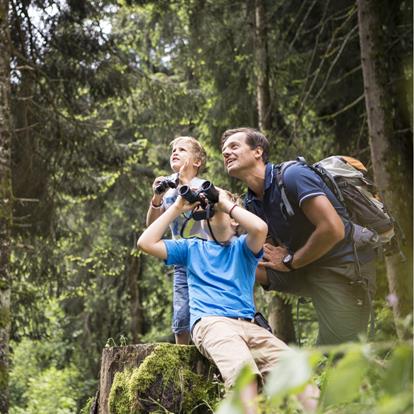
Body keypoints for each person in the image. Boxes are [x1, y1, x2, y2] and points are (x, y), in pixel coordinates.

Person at [138, 179, 318, 413]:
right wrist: (176, 208)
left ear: (235, 219)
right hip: (211, 322)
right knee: (244, 374)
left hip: (250, 325)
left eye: (218, 204)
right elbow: (145, 242)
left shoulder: (243, 247)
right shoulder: (191, 248)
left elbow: (260, 228)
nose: (213, 206)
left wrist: (224, 201)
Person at [221, 127, 376, 345]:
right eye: (224, 150)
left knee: (336, 354)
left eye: (234, 146)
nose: (226, 153)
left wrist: (291, 261)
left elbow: (334, 228)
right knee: (240, 260)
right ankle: (239, 325)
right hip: (306, 267)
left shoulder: (292, 176)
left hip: (343, 266)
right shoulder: (252, 203)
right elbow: (263, 252)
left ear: (258, 152)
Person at [146, 136, 208, 345]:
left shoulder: (204, 186)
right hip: (181, 259)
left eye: (182, 150)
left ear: (197, 162)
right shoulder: (168, 188)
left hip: (206, 256)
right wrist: (156, 198)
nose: (175, 152)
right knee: (181, 316)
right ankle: (182, 361)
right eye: (173, 149)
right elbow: (152, 226)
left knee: (206, 311)